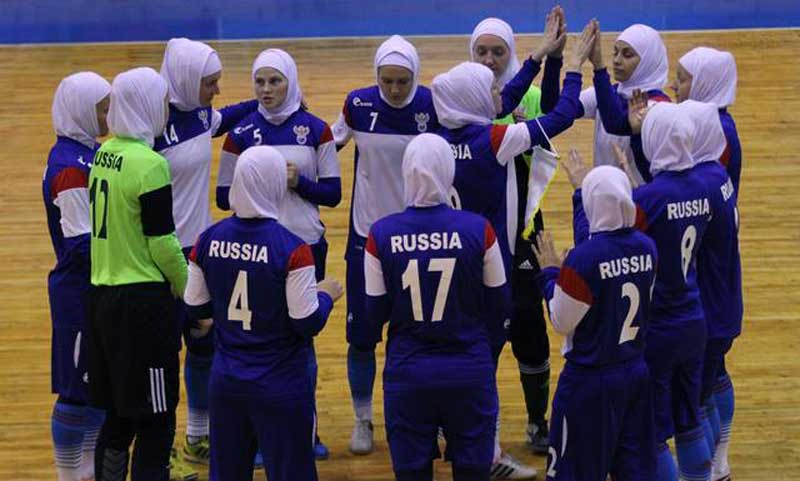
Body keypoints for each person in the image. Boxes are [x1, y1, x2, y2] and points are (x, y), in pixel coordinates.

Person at [432, 19, 595, 480]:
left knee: (466, 353)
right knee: (485, 357)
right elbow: (561, 116)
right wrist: (576, 66)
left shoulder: (436, 140)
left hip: (449, 260)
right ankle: (485, 453)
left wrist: (540, 55)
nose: (495, 95)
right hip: (494, 265)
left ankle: (463, 435)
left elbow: (499, 99)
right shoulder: (496, 140)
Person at [570, 102, 713, 481]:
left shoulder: (648, 200)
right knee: (691, 418)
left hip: (659, 326)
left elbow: (609, 244)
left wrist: (582, 195)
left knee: (652, 433)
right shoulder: (701, 186)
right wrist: (630, 173)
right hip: (693, 317)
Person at [184, 145, 344, 481]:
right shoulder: (293, 249)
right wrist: (326, 295)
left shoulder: (207, 240)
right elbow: (306, 323)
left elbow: (196, 307)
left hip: (227, 381)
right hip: (280, 384)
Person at [356, 133, 509, 481]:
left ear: (406, 172)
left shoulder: (380, 234)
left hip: (408, 373)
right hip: (470, 369)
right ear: (448, 171)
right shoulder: (479, 229)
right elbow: (500, 306)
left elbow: (373, 317)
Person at [216, 48, 341, 458]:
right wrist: (261, 184)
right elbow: (222, 196)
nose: (267, 90)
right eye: (260, 82)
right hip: (252, 249)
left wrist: (298, 182)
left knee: (300, 340)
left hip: (304, 245)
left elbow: (333, 194)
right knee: (255, 335)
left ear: (291, 80)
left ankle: (307, 431)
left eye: (275, 81)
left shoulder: (317, 130)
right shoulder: (240, 134)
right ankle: (254, 436)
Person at [331, 34, 439, 455]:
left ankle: (429, 418)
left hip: (421, 238)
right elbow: (328, 143)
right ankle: (363, 419)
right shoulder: (358, 104)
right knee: (362, 336)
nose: (394, 89)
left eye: (402, 81)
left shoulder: (433, 105)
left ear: (416, 75)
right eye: (387, 80)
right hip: (367, 237)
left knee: (425, 333)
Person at [156, 37, 258, 470]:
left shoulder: (197, 112)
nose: (217, 90)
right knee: (160, 360)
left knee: (204, 347)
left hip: (199, 253)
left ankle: (197, 437)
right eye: (210, 82)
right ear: (184, 79)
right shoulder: (150, 124)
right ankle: (159, 455)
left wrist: (266, 101)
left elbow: (219, 120)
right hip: (160, 259)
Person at [470, 10, 565, 454]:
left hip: (525, 230)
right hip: (474, 235)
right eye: (482, 51)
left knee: (529, 325)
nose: (489, 59)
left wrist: (556, 60)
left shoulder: (525, 99)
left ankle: (536, 421)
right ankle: (469, 419)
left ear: (510, 53)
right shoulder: (461, 101)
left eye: (498, 52)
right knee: (476, 328)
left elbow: (549, 110)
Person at [86, 67, 188, 481]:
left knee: (117, 417)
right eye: (162, 100)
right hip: (143, 308)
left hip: (102, 299)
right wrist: (189, 290)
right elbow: (162, 242)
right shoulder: (151, 165)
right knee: (157, 422)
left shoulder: (103, 152)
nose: (166, 108)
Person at [533, 164, 657, 481]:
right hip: (635, 373)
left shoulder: (583, 259)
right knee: (634, 470)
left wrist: (549, 274)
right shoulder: (647, 246)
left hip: (589, 383)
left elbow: (561, 320)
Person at [43, 71, 110, 481]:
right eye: (103, 108)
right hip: (78, 292)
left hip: (99, 286)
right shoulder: (68, 167)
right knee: (75, 389)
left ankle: (89, 469)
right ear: (83, 111)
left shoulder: (91, 153)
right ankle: (70, 474)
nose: (109, 115)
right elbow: (82, 242)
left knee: (99, 383)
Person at [681, 100, 742, 481]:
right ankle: (720, 462)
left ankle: (706, 474)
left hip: (704, 310)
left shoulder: (698, 186)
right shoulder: (716, 176)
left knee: (693, 406)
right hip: (725, 301)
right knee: (715, 379)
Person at [579, 22, 671, 180]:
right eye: (615, 53)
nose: (617, 60)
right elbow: (554, 106)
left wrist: (599, 67)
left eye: (627, 55)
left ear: (648, 61)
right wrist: (555, 57)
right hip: (604, 196)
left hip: (641, 201)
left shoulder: (659, 107)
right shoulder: (606, 93)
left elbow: (615, 123)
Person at [673, 47, 742, 192]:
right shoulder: (702, 120)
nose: (673, 86)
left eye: (681, 79)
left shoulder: (720, 129)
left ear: (703, 83)